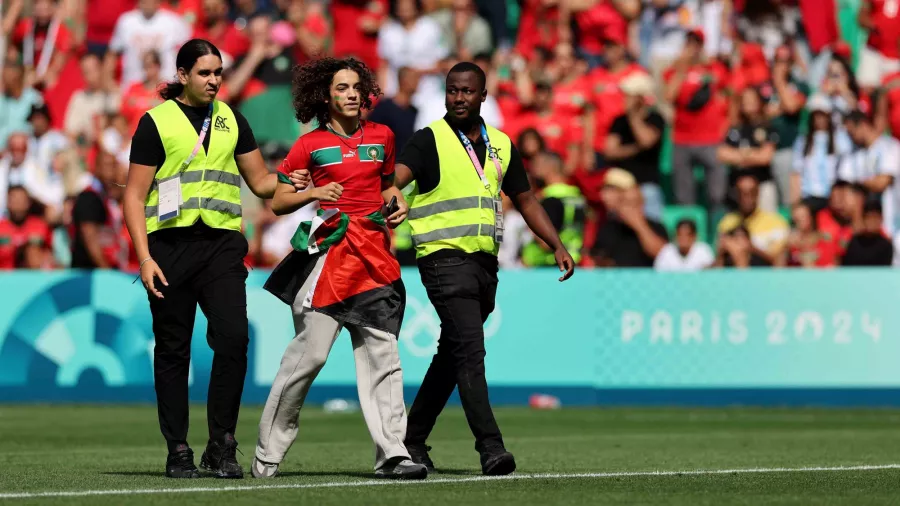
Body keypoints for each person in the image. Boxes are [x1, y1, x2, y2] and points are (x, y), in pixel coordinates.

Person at [122, 39, 310, 480]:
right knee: (174, 350)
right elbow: (133, 195)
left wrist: (292, 179)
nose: (214, 81)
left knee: (233, 339)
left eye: (218, 73)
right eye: (205, 73)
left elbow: (262, 183)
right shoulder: (155, 123)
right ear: (183, 75)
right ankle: (178, 448)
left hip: (222, 246)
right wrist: (144, 258)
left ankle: (221, 443)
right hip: (168, 248)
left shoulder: (231, 118)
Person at [392, 61, 576, 476]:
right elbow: (396, 179)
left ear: (483, 97)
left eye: (467, 91)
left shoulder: (502, 146)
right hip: (442, 259)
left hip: (484, 265)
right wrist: (392, 193)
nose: (459, 97)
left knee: (452, 356)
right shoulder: (428, 140)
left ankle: (412, 439)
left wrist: (557, 244)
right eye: (452, 90)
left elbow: (526, 200)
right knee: (471, 354)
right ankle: (491, 448)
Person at [253, 57, 427, 481]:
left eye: (355, 87)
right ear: (325, 96)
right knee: (309, 357)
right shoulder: (308, 145)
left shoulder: (384, 136)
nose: (351, 94)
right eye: (342, 88)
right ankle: (267, 454)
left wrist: (397, 198)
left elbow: (386, 184)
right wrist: (314, 189)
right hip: (328, 258)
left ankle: (393, 454)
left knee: (383, 355)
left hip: (375, 258)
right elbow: (277, 202)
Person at [521, 151, 586, 267]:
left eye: (536, 165)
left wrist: (530, 219)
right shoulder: (576, 196)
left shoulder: (550, 199)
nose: (533, 171)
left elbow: (546, 243)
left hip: (547, 264)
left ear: (549, 167)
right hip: (571, 261)